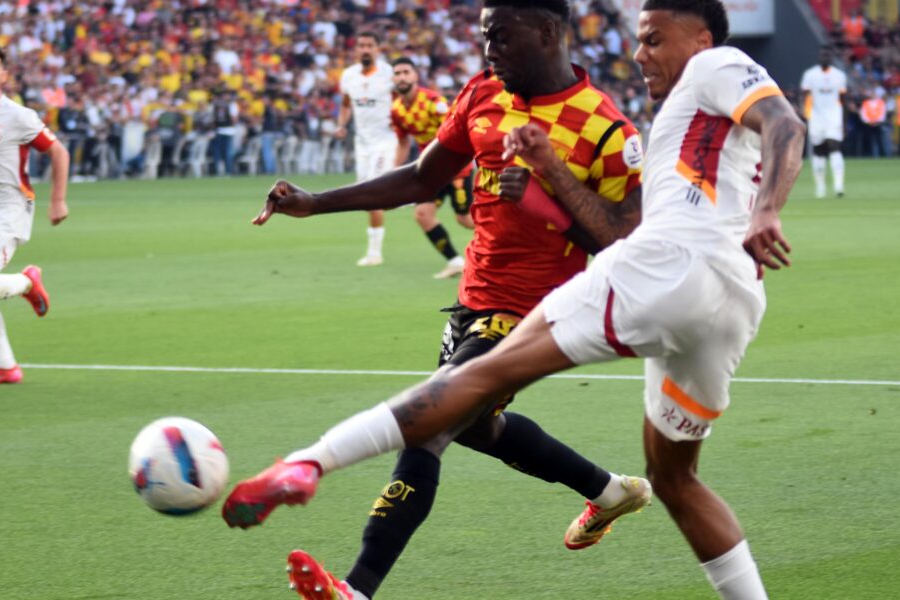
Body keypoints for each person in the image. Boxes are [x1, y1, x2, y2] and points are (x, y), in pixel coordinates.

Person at [225, 1, 807, 599]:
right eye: (485, 36)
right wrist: (317, 202)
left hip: (539, 303)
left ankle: (349, 568)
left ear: (547, 31)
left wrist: (549, 190)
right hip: (484, 297)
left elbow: (622, 238)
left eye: (500, 36)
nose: (489, 49)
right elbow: (424, 177)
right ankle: (609, 491)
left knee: (438, 420)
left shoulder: (610, 127)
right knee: (491, 430)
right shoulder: (485, 94)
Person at [0, 41, 69, 386]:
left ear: (4, 75)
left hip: (10, 211)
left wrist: (58, 200)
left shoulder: (17, 116)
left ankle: (27, 282)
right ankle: (5, 366)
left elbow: (58, 152)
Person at [390, 57, 474, 280]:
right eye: (397, 73)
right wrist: (394, 170)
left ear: (415, 76)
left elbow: (457, 130)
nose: (401, 77)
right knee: (422, 214)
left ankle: (510, 239)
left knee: (465, 219)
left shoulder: (434, 102)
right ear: (393, 79)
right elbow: (403, 143)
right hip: (431, 171)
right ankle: (455, 262)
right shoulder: (397, 109)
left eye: (406, 72)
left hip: (455, 168)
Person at [337, 32, 398, 267]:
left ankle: (374, 253)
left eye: (369, 45)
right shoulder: (348, 75)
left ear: (377, 49)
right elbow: (345, 105)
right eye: (361, 45)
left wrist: (400, 123)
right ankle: (402, 196)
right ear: (356, 49)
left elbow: (401, 100)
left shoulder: (389, 74)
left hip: (385, 140)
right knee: (366, 197)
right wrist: (342, 125)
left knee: (372, 194)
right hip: (362, 143)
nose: (365, 49)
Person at [800, 47, 847, 198]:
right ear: (819, 57)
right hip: (816, 116)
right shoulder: (810, 74)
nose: (825, 58)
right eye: (822, 55)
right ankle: (820, 188)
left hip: (834, 115)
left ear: (831, 57)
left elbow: (843, 99)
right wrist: (805, 114)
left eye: (827, 55)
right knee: (818, 149)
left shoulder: (839, 75)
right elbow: (804, 95)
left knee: (834, 145)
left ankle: (839, 186)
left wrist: (844, 121)